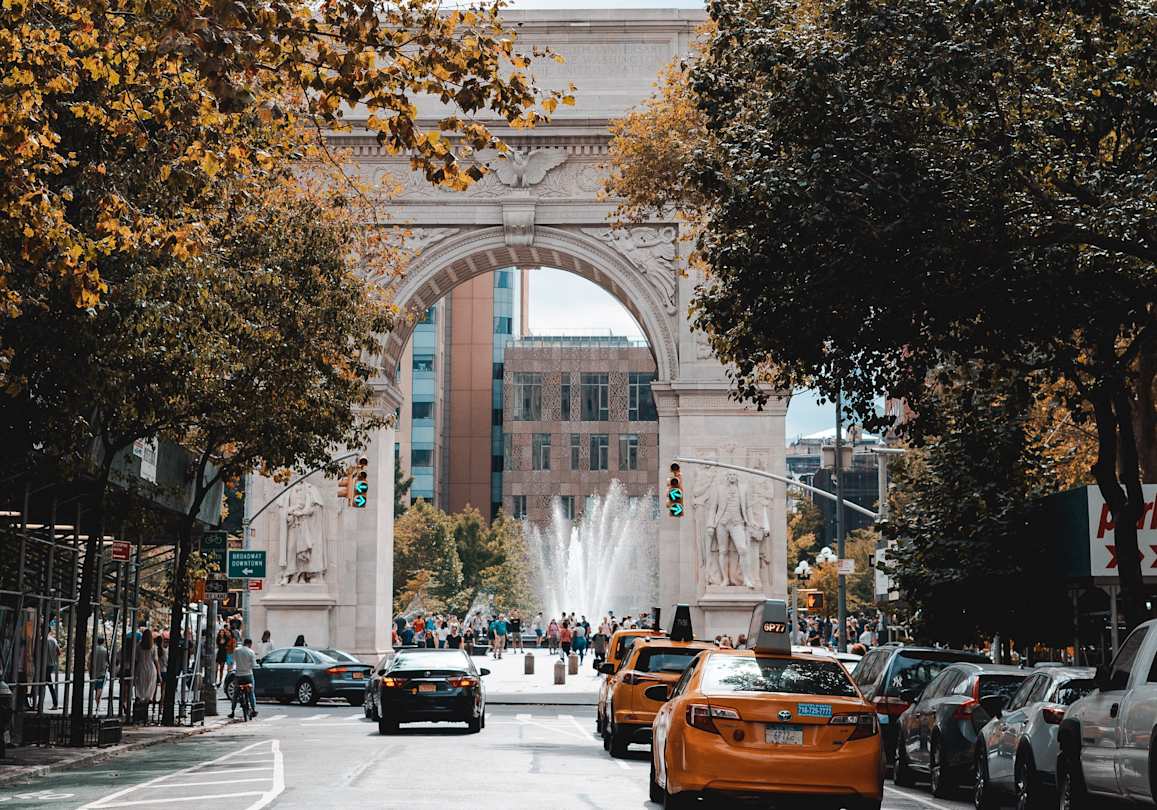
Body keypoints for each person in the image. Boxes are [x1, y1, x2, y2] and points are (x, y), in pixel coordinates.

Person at [229, 638, 258, 719]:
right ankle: (253, 709)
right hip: (248, 675)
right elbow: (253, 665)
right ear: (250, 644)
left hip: (238, 675)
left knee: (235, 694)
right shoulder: (251, 652)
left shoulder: (236, 650)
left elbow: (233, 661)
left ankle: (232, 711)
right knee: (251, 693)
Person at [133, 629, 159, 710]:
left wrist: (134, 671)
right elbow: (156, 661)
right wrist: (159, 674)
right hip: (151, 668)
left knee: (140, 687)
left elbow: (136, 660)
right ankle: (146, 705)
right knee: (149, 687)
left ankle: (139, 703)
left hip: (140, 668)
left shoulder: (138, 646)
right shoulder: (154, 647)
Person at [90, 637, 109, 705]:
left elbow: (89, 661)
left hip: (94, 672)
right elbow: (108, 661)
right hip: (102, 672)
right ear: (103, 642)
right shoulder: (105, 651)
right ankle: (97, 700)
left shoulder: (93, 650)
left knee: (96, 688)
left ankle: (98, 703)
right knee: (100, 688)